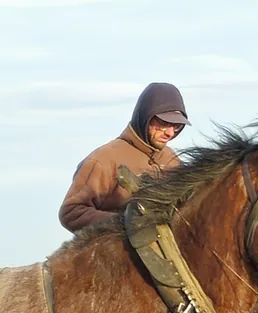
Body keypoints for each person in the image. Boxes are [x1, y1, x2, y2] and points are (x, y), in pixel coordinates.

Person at [58, 82, 190, 233]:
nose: (170, 133)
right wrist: (123, 222)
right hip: (114, 253)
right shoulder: (104, 159)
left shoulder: (172, 159)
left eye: (176, 126)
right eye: (164, 123)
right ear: (145, 116)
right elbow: (71, 212)